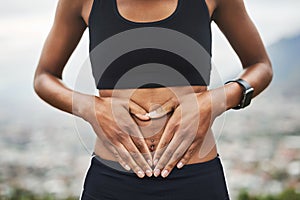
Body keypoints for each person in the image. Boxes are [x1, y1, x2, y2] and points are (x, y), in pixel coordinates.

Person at [33, 0, 273, 199]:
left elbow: (260, 66)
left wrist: (214, 102)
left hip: (195, 180)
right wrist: (90, 107)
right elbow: (44, 76)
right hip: (112, 182)